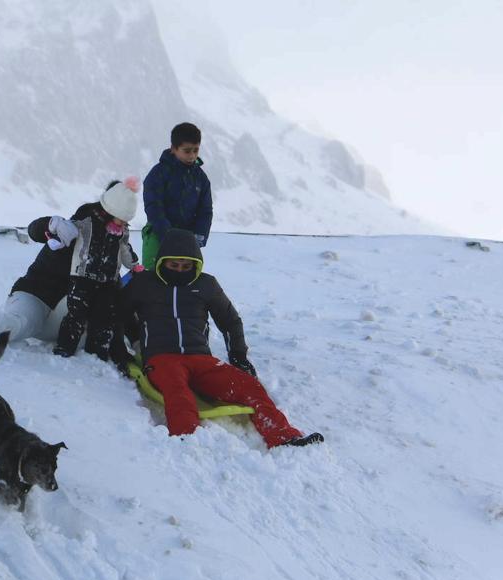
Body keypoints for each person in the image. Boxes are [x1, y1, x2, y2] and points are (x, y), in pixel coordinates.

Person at [114, 228, 324, 448]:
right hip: (162, 358)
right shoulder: (145, 283)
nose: (179, 270)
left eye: (186, 266)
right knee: (178, 392)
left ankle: (283, 436)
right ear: (162, 261)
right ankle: (187, 440)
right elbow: (118, 315)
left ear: (195, 264)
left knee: (249, 386)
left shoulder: (206, 284)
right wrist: (121, 347)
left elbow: (230, 321)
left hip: (200, 359)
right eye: (173, 265)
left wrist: (238, 355)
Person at [0, 192, 108, 344]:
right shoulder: (67, 231)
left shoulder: (106, 253)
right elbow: (35, 231)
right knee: (21, 323)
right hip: (33, 297)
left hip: (60, 318)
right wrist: (51, 224)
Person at [53, 178, 143, 359]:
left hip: (108, 281)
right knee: (76, 314)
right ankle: (64, 347)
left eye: (126, 221)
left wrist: (133, 264)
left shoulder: (121, 232)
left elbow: (125, 249)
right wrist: (58, 231)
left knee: (104, 317)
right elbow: (68, 229)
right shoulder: (87, 220)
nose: (124, 224)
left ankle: (97, 351)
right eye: (122, 220)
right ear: (111, 210)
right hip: (82, 277)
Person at [140, 122, 213, 270]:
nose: (192, 155)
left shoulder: (201, 178)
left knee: (187, 275)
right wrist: (167, 234)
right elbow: (153, 206)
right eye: (187, 151)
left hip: (188, 237)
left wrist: (199, 235)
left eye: (196, 150)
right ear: (174, 149)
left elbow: (205, 210)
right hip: (159, 233)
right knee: (154, 274)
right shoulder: (158, 174)